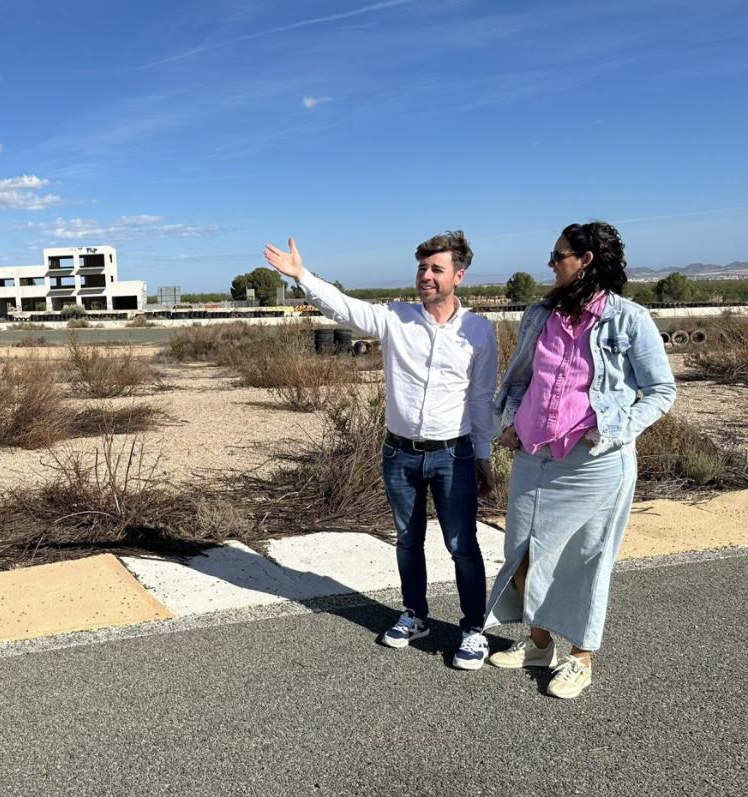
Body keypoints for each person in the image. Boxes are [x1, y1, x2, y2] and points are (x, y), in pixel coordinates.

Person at [265, 232, 498, 669]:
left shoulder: (479, 332)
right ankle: (415, 614)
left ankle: (472, 628)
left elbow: (482, 397)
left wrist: (483, 456)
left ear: (459, 276)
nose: (425, 276)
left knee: (462, 544)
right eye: (422, 268)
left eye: (436, 269)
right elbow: (344, 307)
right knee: (408, 540)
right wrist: (302, 276)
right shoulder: (395, 318)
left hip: (455, 455)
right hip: (400, 454)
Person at [485, 221, 675, 698]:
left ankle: (582, 657)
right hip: (535, 456)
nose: (551, 264)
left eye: (558, 255)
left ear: (585, 260)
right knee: (524, 552)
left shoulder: (629, 319)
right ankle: (539, 642)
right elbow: (520, 381)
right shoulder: (539, 314)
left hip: (594, 465)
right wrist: (511, 421)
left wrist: (614, 430)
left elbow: (661, 391)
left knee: (586, 560)